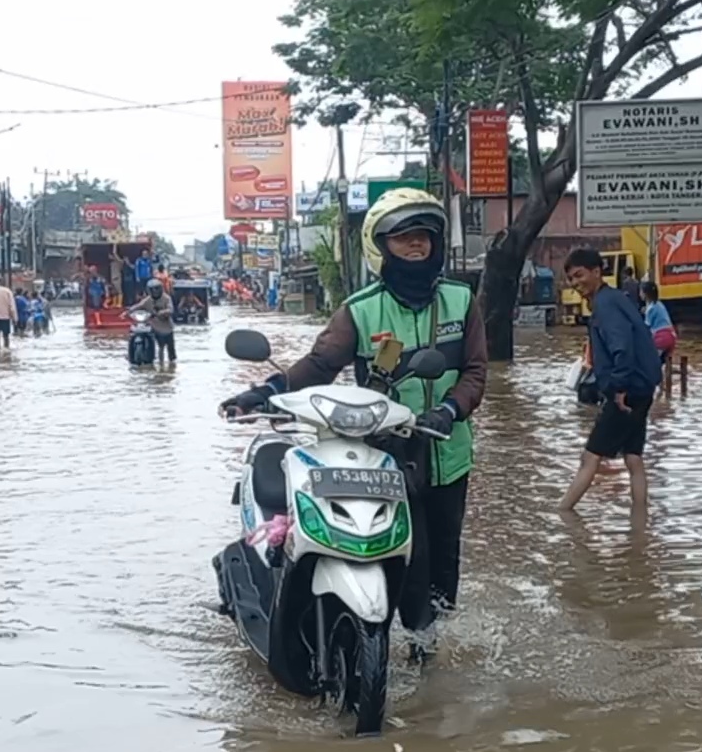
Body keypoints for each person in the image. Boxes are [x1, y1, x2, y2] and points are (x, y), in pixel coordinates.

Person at [220, 187, 487, 635]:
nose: (416, 245)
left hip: (448, 451)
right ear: (381, 247)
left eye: (423, 236)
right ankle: (381, 632)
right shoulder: (360, 310)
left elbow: (477, 371)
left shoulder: (461, 301)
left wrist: (449, 409)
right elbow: (321, 365)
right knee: (408, 559)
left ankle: (432, 651)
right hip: (383, 456)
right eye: (403, 238)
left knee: (444, 558)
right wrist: (266, 390)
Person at [560, 247, 659, 514]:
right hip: (644, 388)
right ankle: (640, 522)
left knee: (589, 457)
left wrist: (618, 387)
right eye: (570, 279)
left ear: (596, 271)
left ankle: (563, 515)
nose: (575, 283)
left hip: (626, 392)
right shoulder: (618, 299)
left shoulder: (605, 305)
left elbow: (621, 347)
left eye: (579, 275)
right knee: (633, 458)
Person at [641, 280, 676, 400]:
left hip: (661, 337)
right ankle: (665, 390)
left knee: (651, 362)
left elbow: (646, 328)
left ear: (645, 294)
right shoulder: (659, 305)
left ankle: (659, 388)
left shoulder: (650, 309)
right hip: (671, 336)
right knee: (661, 362)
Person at [128, 280, 176, 362]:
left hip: (166, 326)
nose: (155, 291)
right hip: (154, 325)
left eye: (157, 289)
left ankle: (170, 364)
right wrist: (128, 311)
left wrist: (162, 312)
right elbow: (139, 305)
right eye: (152, 289)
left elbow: (171, 309)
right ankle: (157, 361)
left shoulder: (166, 298)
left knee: (170, 349)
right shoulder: (148, 300)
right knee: (160, 346)